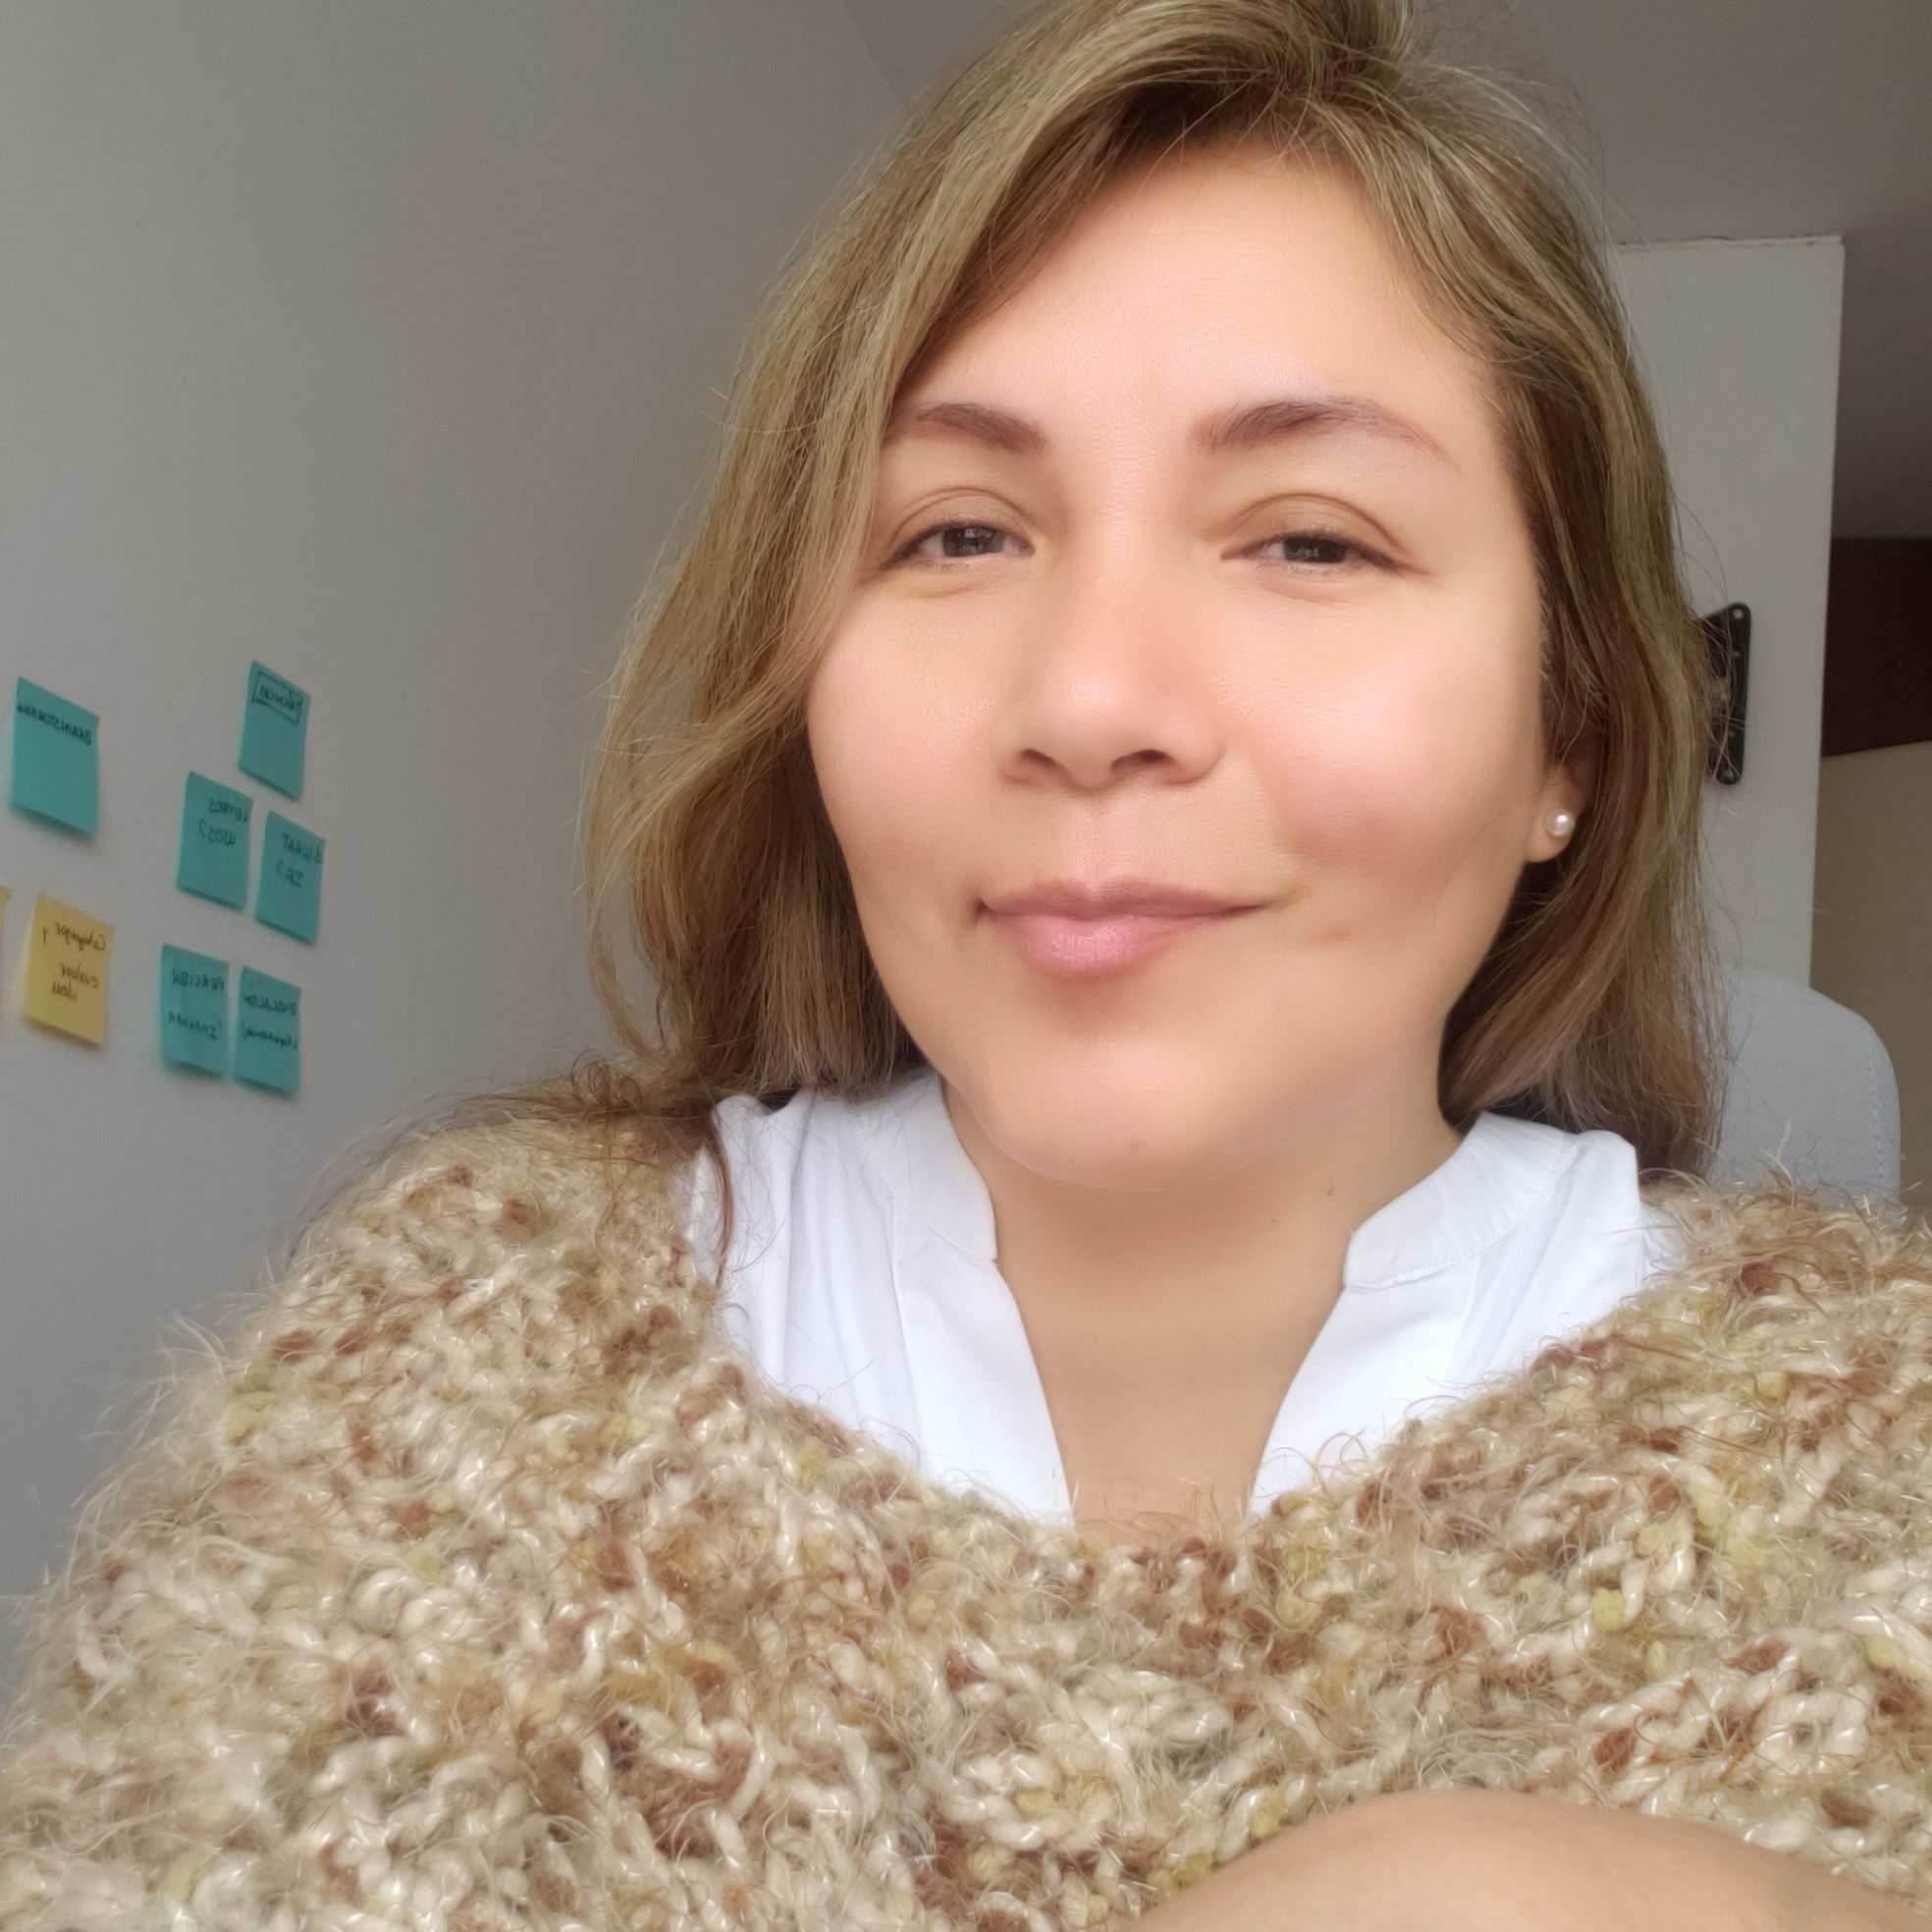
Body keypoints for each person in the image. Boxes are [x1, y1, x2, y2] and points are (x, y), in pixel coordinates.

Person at [1, 1, 1925, 1927]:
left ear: (1567, 734)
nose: (1088, 700)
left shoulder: (1883, 1445)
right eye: (959, 534)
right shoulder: (451, 1355)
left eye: (1311, 543)